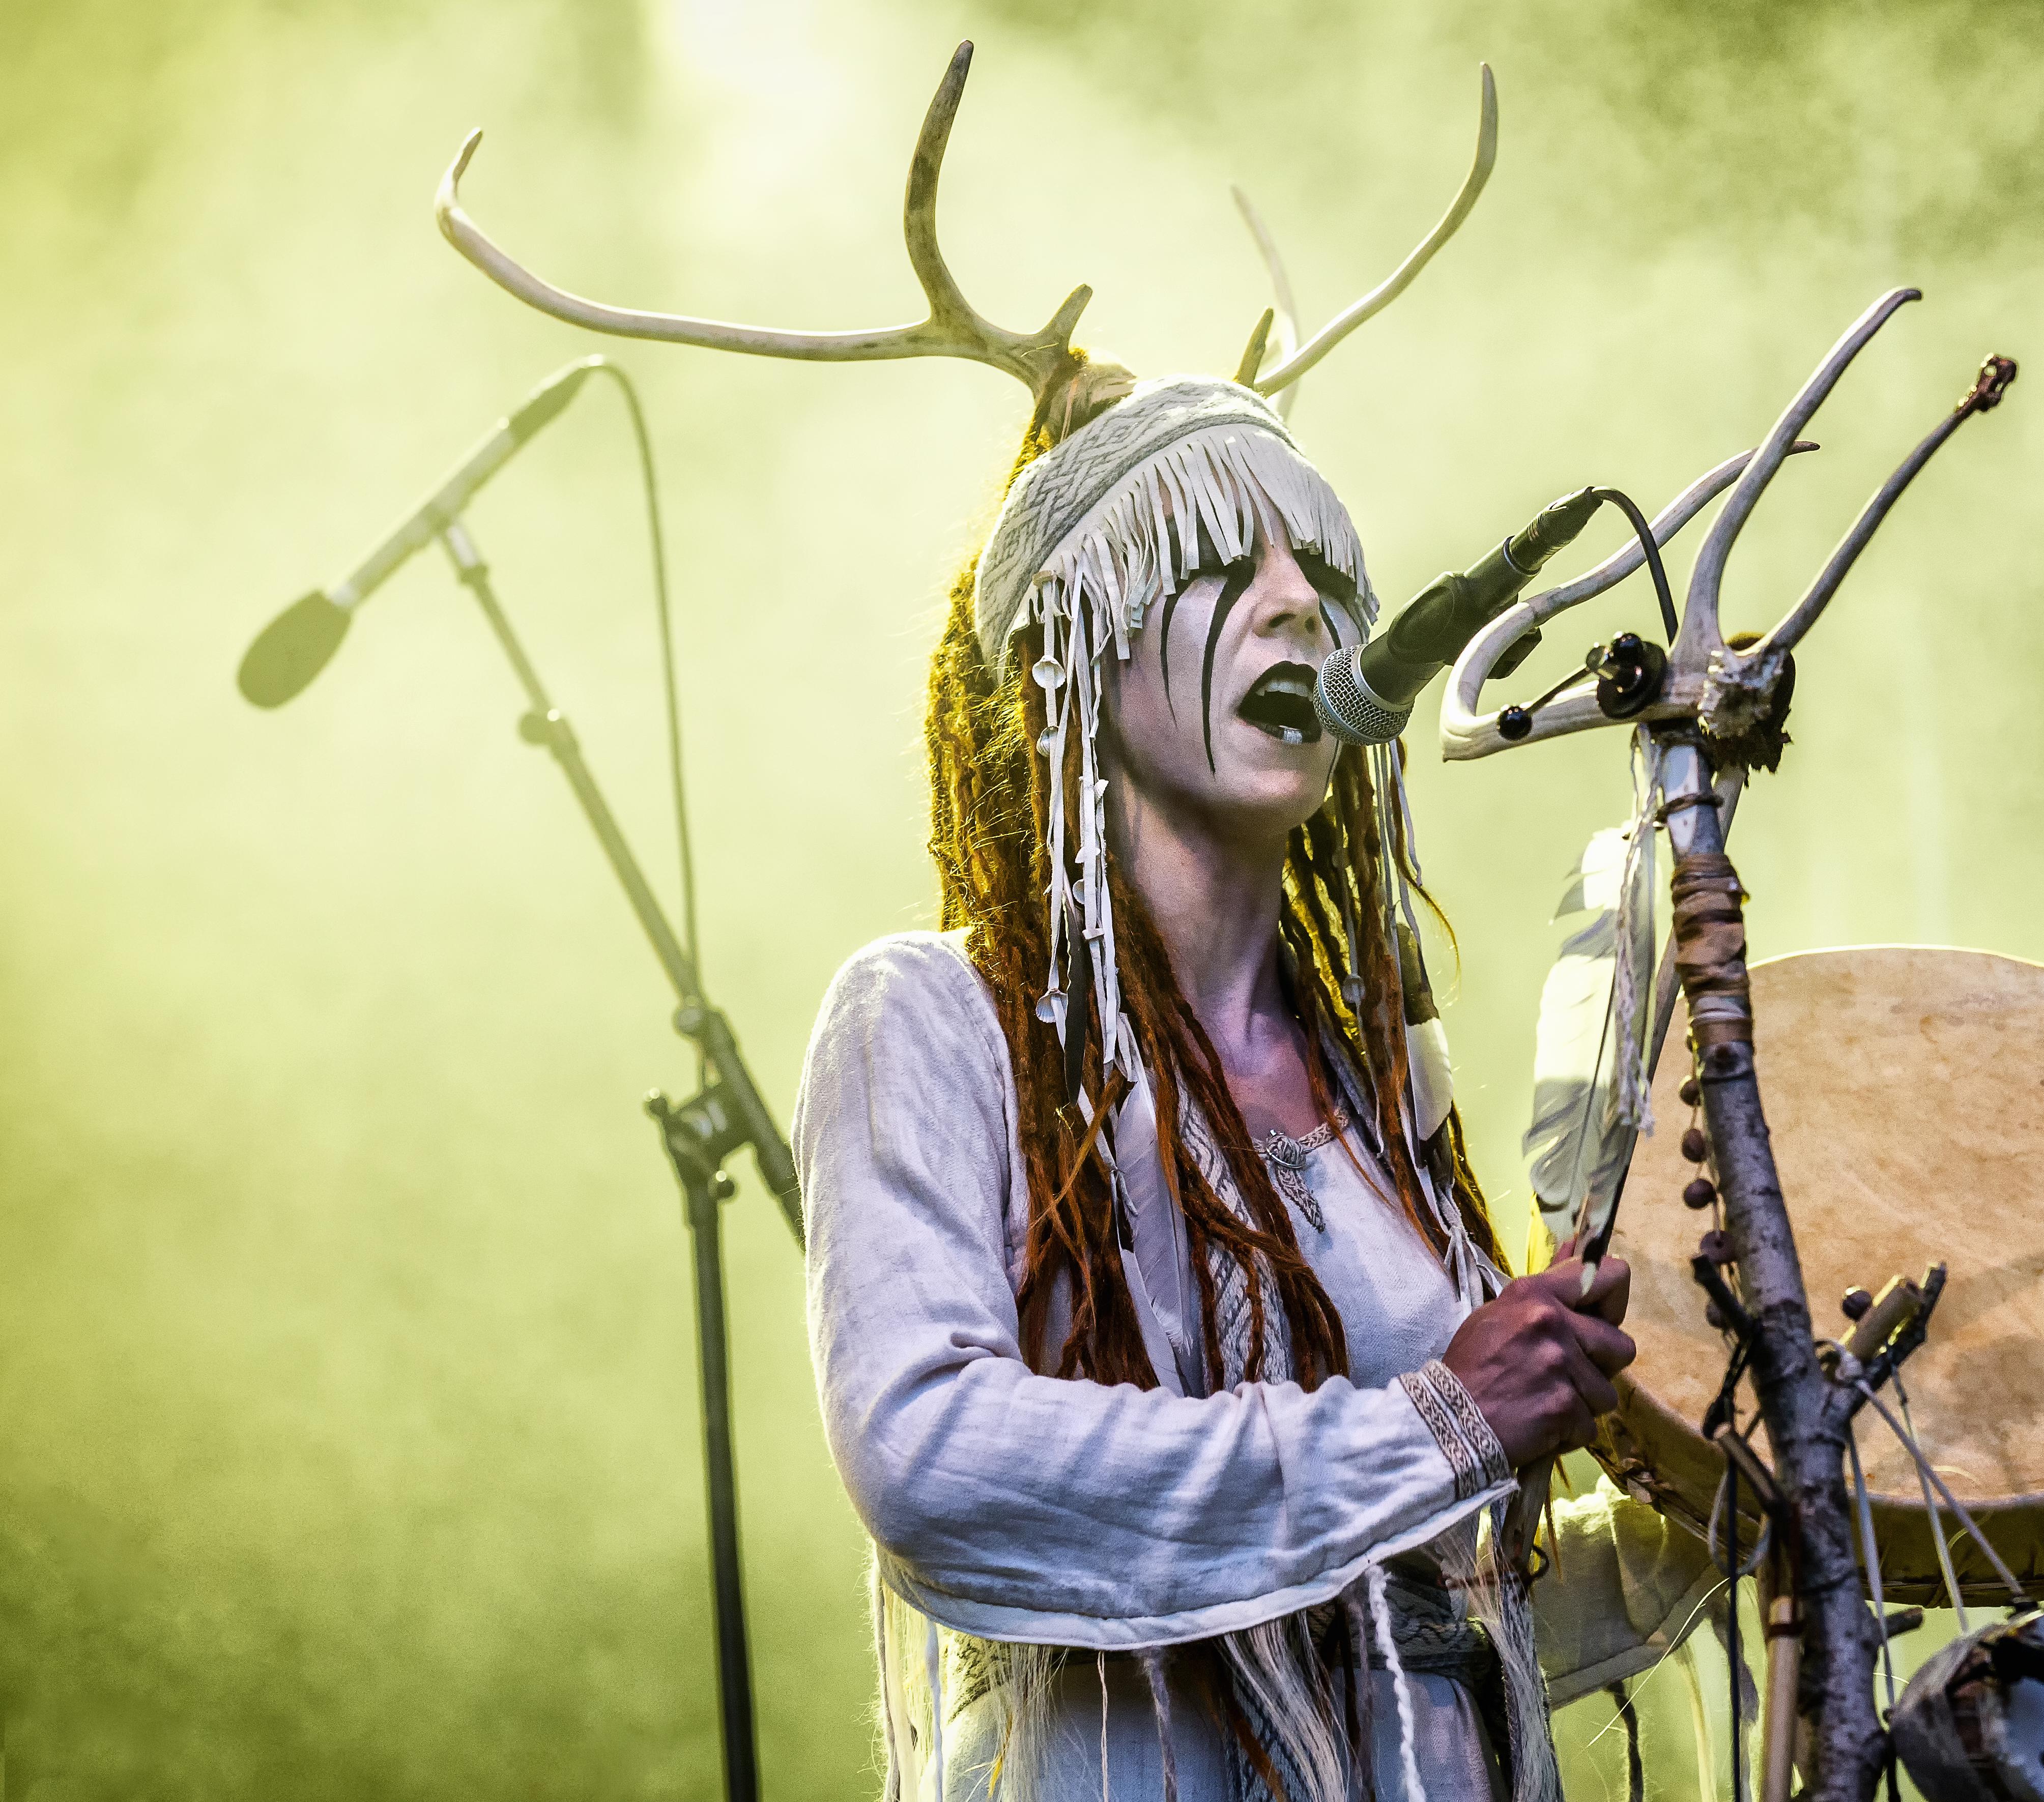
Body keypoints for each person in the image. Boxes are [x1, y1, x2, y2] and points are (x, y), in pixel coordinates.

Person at [434, 46, 1714, 1799]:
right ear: (1076, 660)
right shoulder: (934, 1020)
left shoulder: (1370, 1087)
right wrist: (1434, 1421)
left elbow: (1426, 1621)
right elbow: (932, 1460)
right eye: (1216, 566)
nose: (1298, 609)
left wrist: (1719, 1501)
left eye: (1323, 573)